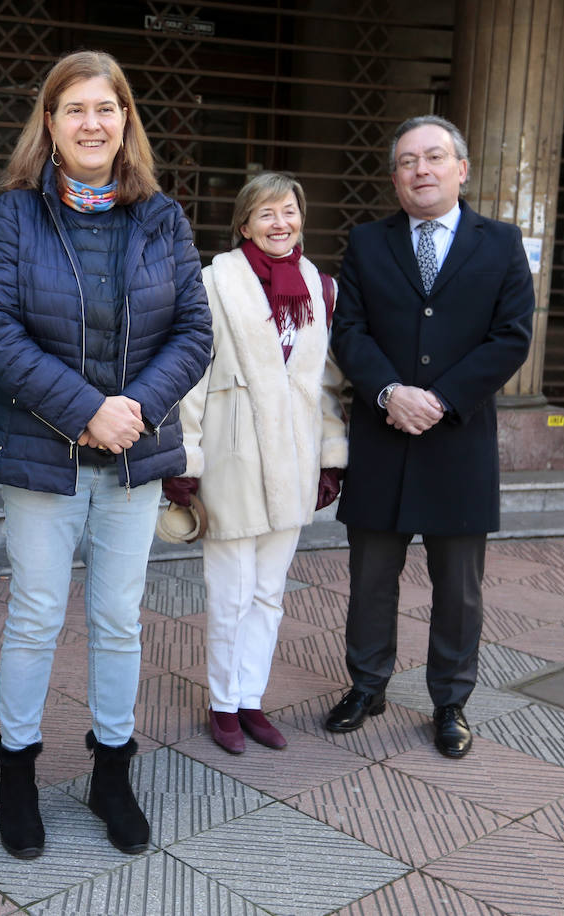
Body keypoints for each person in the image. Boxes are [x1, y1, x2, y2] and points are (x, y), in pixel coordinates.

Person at [0, 50, 211, 858]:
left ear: (126, 121)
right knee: (36, 616)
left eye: (107, 108)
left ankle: (113, 772)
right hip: (44, 456)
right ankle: (17, 775)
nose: (92, 123)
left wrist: (132, 411)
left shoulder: (162, 217)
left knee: (117, 621)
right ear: (50, 122)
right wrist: (83, 412)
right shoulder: (14, 215)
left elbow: (193, 332)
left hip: (134, 458)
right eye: (74, 108)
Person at [324, 114, 533, 759]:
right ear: (395, 178)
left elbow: (512, 336)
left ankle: (451, 701)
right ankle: (367, 684)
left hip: (458, 442)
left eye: (435, 157)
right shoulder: (366, 242)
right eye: (409, 161)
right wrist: (390, 392)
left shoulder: (500, 243)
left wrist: (440, 399)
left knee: (459, 587)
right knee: (371, 577)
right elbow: (348, 331)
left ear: (461, 169)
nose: (422, 170)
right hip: (384, 437)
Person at [163, 172, 347, 755]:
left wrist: (331, 457)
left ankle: (250, 699)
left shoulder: (320, 287)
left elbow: (326, 383)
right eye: (266, 213)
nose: (280, 222)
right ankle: (222, 704)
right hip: (233, 456)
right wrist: (185, 459)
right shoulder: (215, 282)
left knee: (270, 593)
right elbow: (192, 375)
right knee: (231, 592)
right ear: (244, 224)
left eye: (289, 211)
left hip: (294, 460)